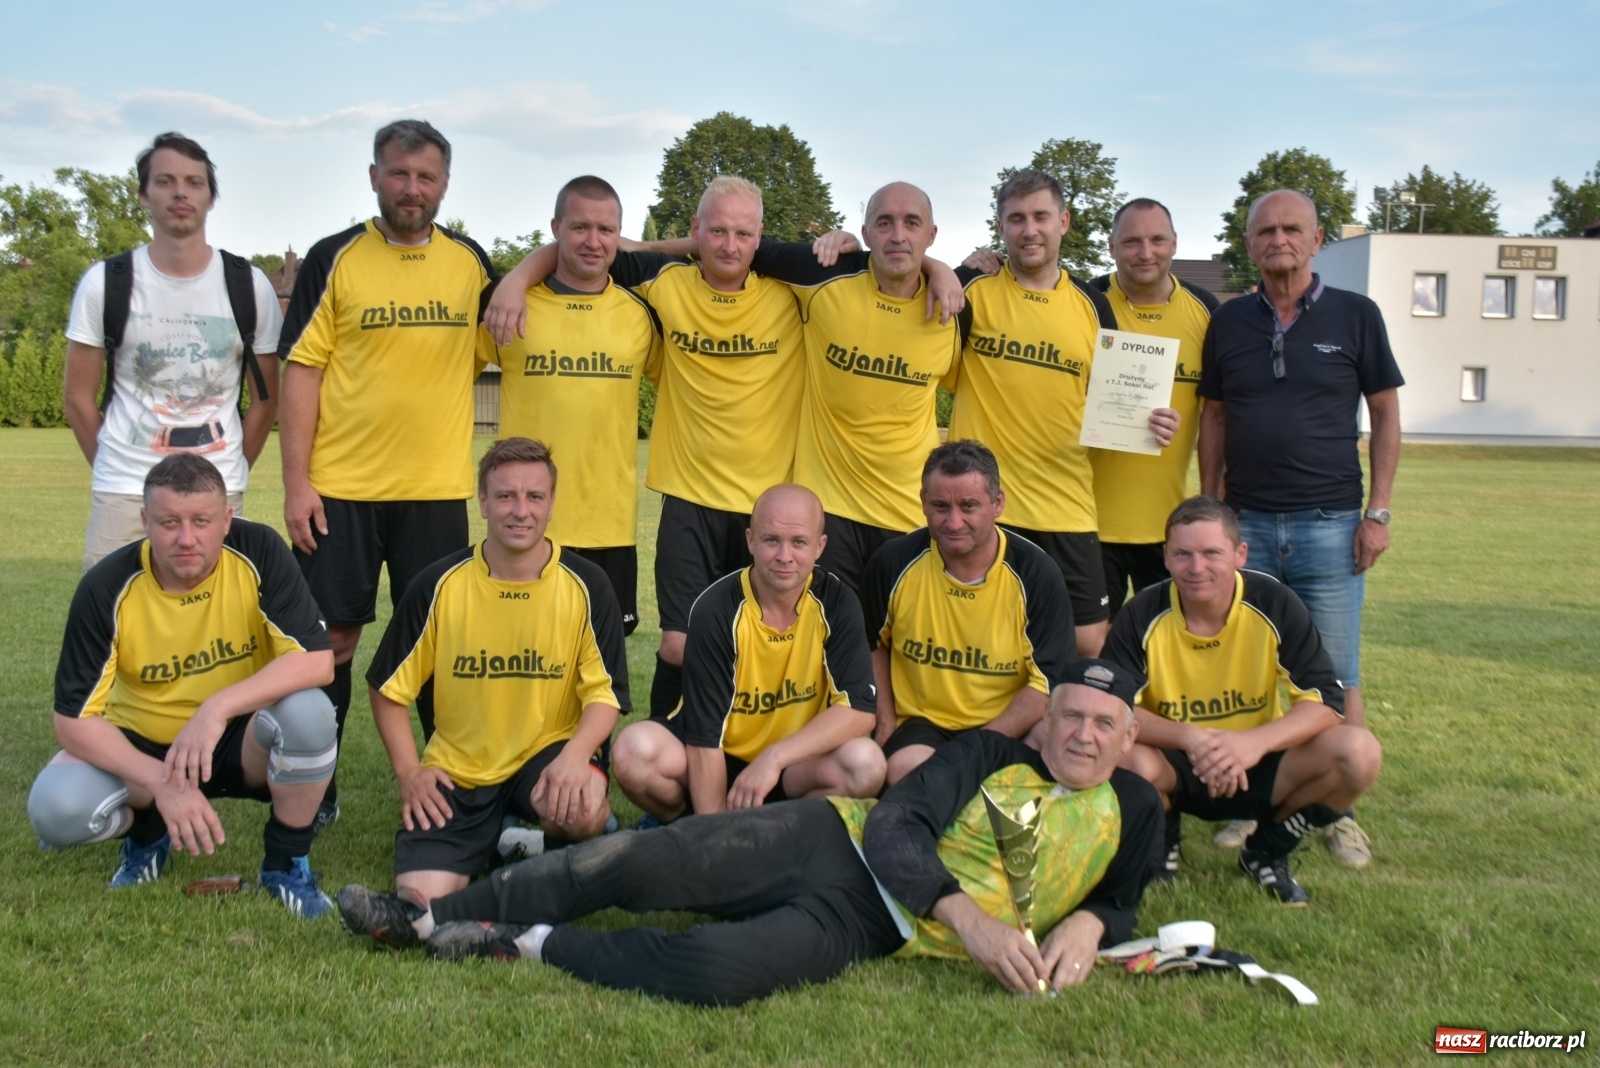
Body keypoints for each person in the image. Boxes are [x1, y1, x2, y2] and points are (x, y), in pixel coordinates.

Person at [335, 658, 1160, 1007]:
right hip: (829, 837)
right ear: (1046, 719)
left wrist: (1091, 925)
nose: (1082, 736)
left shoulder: (1138, 810)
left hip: (872, 925)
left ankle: (521, 942)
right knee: (643, 861)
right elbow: (896, 826)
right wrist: (970, 922)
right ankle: (426, 918)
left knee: (716, 972)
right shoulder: (989, 754)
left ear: (1129, 738)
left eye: (1103, 724)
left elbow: (1121, 899)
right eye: (1070, 717)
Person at [486, 176, 805, 728]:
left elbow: (872, 266)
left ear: (760, 238)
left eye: (743, 234)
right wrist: (515, 277)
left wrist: (939, 268)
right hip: (687, 496)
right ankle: (661, 750)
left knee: (761, 643)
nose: (729, 245)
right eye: (716, 231)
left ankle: (743, 755)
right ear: (695, 231)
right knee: (678, 645)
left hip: (765, 507)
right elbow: (594, 249)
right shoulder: (662, 287)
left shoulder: (794, 294)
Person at [278, 120, 496, 802]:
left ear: (445, 184)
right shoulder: (334, 257)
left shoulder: (470, 263)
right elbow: (301, 372)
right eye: (398, 173)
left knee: (437, 644)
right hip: (340, 490)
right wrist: (296, 485)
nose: (411, 188)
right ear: (374, 176)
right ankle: (316, 789)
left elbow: (515, 321)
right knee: (332, 642)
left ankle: (451, 786)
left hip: (435, 492)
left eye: (425, 176)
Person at [27, 454, 338, 918]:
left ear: (226, 520)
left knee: (311, 713)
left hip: (239, 742)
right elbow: (72, 722)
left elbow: (316, 660)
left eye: (201, 521)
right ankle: (147, 834)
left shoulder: (258, 551)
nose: (186, 538)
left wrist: (216, 708)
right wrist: (161, 782)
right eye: (169, 522)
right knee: (56, 809)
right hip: (146, 748)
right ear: (145, 521)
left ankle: (285, 863)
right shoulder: (106, 587)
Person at [1197, 188, 1403, 867]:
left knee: (1337, 675)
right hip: (1248, 523)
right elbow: (1214, 418)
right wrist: (1210, 511)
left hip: (1331, 523)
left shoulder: (1357, 315)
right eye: (1265, 231)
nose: (1278, 240)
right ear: (1249, 244)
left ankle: (1338, 811)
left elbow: (1385, 414)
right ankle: (1250, 801)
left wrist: (1378, 512)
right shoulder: (1228, 321)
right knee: (1255, 670)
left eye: (1292, 229)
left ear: (1317, 240)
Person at [363, 438, 629, 907]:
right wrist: (410, 773)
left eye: (534, 497)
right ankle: (502, 842)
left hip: (548, 752)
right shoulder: (438, 584)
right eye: (506, 496)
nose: (520, 511)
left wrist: (575, 756)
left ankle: (562, 841)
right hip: (460, 766)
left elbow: (605, 695)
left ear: (551, 504)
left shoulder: (587, 584)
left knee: (582, 805)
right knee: (420, 899)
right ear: (483, 502)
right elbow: (387, 690)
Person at [1103, 496, 1383, 905]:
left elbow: (1326, 701)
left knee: (1359, 752)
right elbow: (1112, 707)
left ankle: (1267, 851)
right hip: (1177, 761)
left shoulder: (1273, 601)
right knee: (1117, 753)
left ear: (1240, 554)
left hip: (1257, 761)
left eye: (1211, 553)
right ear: (1165, 556)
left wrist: (1251, 744)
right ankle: (1161, 842)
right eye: (1183, 554)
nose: (1196, 567)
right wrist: (1190, 737)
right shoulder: (1142, 612)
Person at [952, 172, 1178, 656]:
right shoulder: (972, 290)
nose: (1029, 229)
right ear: (1001, 226)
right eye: (1016, 219)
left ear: (1063, 222)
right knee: (980, 640)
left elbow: (1115, 401)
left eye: (1040, 216)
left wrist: (1151, 420)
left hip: (1065, 504)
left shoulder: (1094, 307)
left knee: (1089, 641)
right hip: (985, 506)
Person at [63, 132, 284, 571]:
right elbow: (78, 397)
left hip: (217, 491)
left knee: (216, 611)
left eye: (193, 182)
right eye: (165, 181)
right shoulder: (105, 283)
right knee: (113, 611)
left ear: (210, 198)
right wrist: (113, 464)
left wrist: (233, 466)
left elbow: (267, 399)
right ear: (144, 194)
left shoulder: (248, 285)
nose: (180, 193)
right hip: (125, 490)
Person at [611, 484, 882, 823]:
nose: (784, 555)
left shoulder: (838, 602)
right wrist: (717, 834)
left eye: (799, 542)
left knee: (866, 764)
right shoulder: (716, 609)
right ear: (751, 541)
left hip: (793, 764)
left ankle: (782, 833)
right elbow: (705, 736)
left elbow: (859, 710)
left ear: (820, 546)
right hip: (718, 755)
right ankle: (687, 826)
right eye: (771, 540)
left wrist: (774, 757)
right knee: (633, 752)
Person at [752, 181, 965, 592]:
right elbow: (734, 243)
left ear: (932, 234)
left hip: (908, 516)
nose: (898, 235)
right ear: (865, 233)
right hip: (829, 513)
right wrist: (639, 250)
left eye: (912, 223)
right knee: (830, 632)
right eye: (884, 223)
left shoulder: (956, 308)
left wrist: (937, 267)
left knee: (900, 632)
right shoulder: (824, 274)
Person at [494, 175, 662, 635]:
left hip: (609, 524)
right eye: (580, 227)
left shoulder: (640, 314)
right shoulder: (511, 306)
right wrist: (516, 278)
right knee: (521, 648)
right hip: (524, 520)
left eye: (606, 230)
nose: (593, 241)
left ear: (620, 237)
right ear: (556, 229)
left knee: (604, 659)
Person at [863, 440, 1074, 785]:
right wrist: (886, 723)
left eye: (969, 506)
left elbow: (1047, 682)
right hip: (923, 724)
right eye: (940, 506)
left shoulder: (1037, 574)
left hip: (1007, 723)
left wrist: (974, 750)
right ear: (923, 502)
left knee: (1056, 751)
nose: (954, 522)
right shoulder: (893, 562)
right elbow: (873, 642)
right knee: (907, 770)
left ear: (998, 503)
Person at [1089, 197, 1220, 617]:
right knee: (1091, 646)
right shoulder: (1085, 302)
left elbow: (1219, 415)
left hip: (1171, 528)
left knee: (1168, 645)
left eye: (1157, 240)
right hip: (1087, 523)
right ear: (1111, 246)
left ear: (1175, 243)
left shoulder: (1207, 312)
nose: (1146, 252)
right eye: (1131, 242)